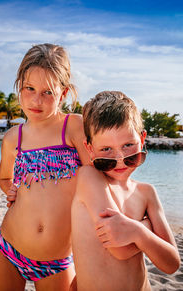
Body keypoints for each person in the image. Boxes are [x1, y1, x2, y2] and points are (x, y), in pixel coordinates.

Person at [0, 43, 89, 291]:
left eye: (47, 92)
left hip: (56, 260)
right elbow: (4, 178)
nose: (36, 99)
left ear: (63, 94)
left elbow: (98, 180)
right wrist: (9, 190)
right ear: (19, 86)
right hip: (8, 247)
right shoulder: (14, 137)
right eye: (29, 89)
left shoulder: (75, 127)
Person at [71, 91, 180, 291]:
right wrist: (147, 228)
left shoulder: (147, 192)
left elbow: (171, 264)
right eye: (106, 150)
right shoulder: (90, 177)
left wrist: (137, 231)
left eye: (128, 145)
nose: (120, 159)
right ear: (90, 149)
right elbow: (119, 249)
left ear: (142, 138)